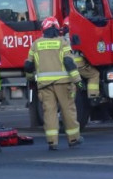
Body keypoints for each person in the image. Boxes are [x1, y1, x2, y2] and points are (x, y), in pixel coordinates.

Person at [25, 17, 82, 150]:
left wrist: (30, 79)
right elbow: (69, 63)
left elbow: (28, 65)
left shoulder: (36, 44)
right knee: (68, 111)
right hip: (63, 84)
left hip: (44, 85)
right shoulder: (63, 42)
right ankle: (73, 139)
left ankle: (52, 141)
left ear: (44, 29)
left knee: (49, 112)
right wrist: (78, 82)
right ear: (57, 29)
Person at [62, 17, 99, 100]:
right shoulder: (77, 36)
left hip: (66, 68)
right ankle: (93, 97)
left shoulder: (61, 39)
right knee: (94, 74)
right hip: (79, 66)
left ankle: (72, 100)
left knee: (73, 83)